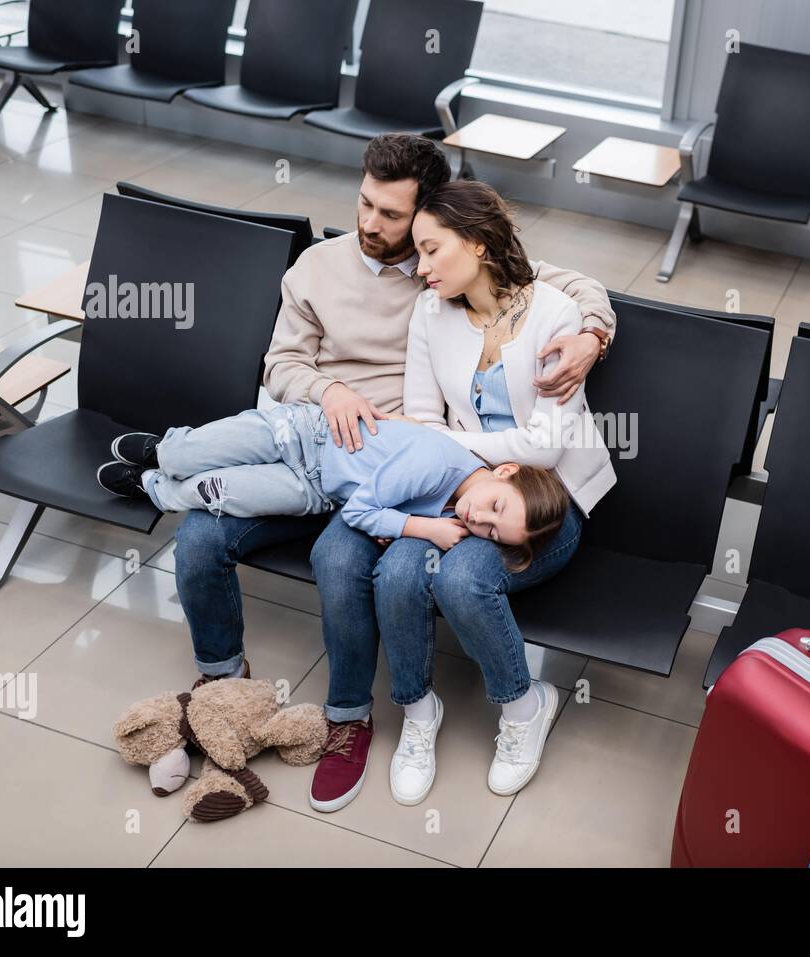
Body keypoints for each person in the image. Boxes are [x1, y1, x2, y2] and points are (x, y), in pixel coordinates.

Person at [171, 133, 616, 813]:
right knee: (200, 534)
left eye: (391, 215)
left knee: (353, 559)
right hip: (335, 444)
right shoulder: (333, 273)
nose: (369, 224)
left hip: (438, 471)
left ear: (432, 221)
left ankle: (357, 714)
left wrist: (594, 332)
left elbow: (559, 289)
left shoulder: (447, 271)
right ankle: (220, 691)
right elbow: (285, 368)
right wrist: (328, 393)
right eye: (364, 204)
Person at [374, 179, 616, 805]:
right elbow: (421, 422)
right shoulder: (431, 312)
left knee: (460, 580)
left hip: (543, 504)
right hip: (453, 493)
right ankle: (418, 713)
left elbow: (542, 450)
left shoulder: (555, 315)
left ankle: (522, 707)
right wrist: (451, 453)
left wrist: (454, 443)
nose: (419, 266)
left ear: (478, 244)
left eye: (431, 250)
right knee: (399, 573)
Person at [96, 412, 569, 570]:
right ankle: (164, 454)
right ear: (504, 470)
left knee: (215, 492)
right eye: (494, 507)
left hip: (313, 488)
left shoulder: (453, 505)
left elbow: (365, 511)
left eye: (490, 533)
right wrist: (420, 528)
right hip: (304, 433)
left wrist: (400, 526)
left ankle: (154, 488)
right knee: (188, 456)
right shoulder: (438, 462)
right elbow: (364, 511)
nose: (477, 521)